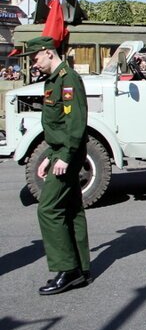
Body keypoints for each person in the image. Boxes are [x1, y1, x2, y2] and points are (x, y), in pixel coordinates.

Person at [19, 36, 90, 295]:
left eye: (35, 57)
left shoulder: (67, 79)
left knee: (48, 209)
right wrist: (50, 154)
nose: (33, 63)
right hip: (61, 151)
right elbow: (59, 125)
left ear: (49, 53)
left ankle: (67, 269)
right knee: (71, 209)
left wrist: (65, 156)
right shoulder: (53, 80)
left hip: (68, 154)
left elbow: (76, 123)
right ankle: (81, 268)